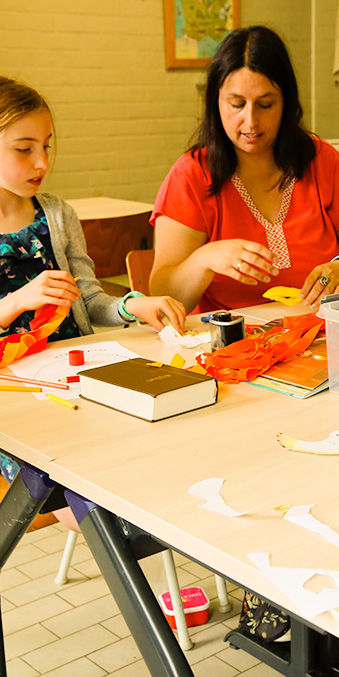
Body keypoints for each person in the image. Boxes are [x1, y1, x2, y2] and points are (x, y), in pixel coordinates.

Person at [0, 76, 186, 503]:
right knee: (84, 495)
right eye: (24, 149)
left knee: (150, 450)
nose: (42, 162)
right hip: (14, 399)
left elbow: (88, 299)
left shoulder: (57, 215)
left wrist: (132, 307)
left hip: (74, 378)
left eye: (47, 145)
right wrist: (17, 301)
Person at [149, 25, 339, 314]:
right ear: (216, 102)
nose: (250, 122)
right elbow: (164, 294)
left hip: (318, 333)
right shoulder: (191, 175)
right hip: (231, 344)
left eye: (265, 105)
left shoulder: (319, 160)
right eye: (236, 104)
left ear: (286, 103)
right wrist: (203, 259)